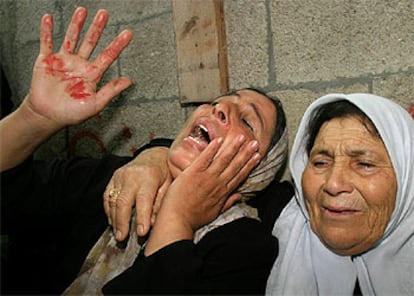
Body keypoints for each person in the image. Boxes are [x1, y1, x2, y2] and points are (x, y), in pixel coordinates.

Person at [0, 7, 294, 295]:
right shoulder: (118, 179)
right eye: (221, 100)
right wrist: (33, 118)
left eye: (246, 120)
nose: (221, 107)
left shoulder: (244, 250)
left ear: (260, 170)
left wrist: (176, 218)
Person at [265, 93, 414, 295]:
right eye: (320, 163)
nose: (334, 184)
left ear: (407, 178)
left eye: (365, 164)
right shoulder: (261, 243)